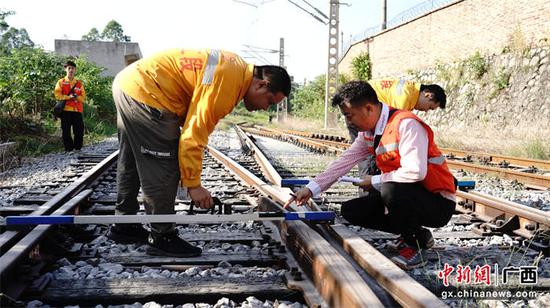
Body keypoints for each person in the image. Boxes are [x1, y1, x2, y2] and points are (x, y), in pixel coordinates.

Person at [109, 48, 291, 257]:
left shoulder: (235, 69)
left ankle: (124, 224)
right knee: (163, 164)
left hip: (130, 83)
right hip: (148, 93)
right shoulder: (228, 85)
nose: (266, 108)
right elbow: (192, 136)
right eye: (269, 101)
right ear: (261, 84)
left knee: (130, 159)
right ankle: (162, 236)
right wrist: (193, 185)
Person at [286, 81, 456, 269]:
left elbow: (415, 171)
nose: (348, 122)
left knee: (390, 188)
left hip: (438, 203)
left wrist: (374, 181)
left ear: (368, 108)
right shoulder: (368, 133)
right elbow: (343, 163)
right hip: (410, 195)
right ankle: (414, 234)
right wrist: (310, 189)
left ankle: (415, 246)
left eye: (350, 116)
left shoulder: (406, 124)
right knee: (352, 210)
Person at [347, 79, 447, 195]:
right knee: (371, 159)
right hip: (359, 113)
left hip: (359, 108)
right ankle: (368, 198)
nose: (425, 111)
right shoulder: (404, 98)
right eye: (429, 107)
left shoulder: (410, 90)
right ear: (427, 95)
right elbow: (390, 130)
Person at [54, 60, 86, 152]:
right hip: (66, 110)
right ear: (65, 69)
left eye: (73, 68)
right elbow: (57, 95)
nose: (71, 70)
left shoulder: (79, 84)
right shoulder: (61, 82)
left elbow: (83, 98)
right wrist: (69, 97)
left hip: (77, 111)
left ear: (75, 70)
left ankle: (77, 148)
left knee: (79, 131)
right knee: (66, 131)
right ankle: (69, 149)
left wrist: (76, 98)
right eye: (69, 68)